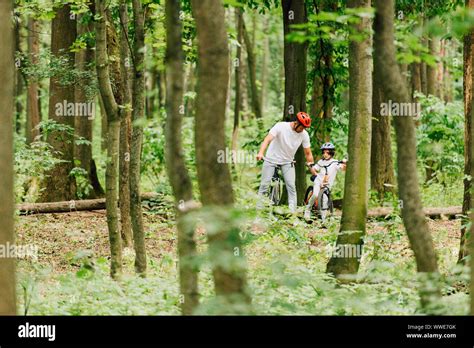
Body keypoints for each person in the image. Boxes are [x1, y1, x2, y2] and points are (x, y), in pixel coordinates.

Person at [256, 112, 314, 213]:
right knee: (264, 186)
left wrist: (311, 164)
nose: (303, 130)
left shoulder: (304, 134)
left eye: (305, 128)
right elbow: (267, 140)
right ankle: (258, 214)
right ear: (296, 123)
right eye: (302, 127)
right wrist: (261, 153)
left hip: (287, 162)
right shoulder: (281, 126)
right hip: (271, 159)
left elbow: (308, 153)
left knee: (291, 187)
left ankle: (292, 215)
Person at [304, 142, 347, 221]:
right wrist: (310, 166)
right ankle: (307, 210)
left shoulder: (335, 163)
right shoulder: (321, 162)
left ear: (331, 153)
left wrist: (345, 163)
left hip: (327, 184)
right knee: (315, 195)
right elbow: (315, 169)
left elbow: (343, 168)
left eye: (327, 152)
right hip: (319, 181)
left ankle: (322, 220)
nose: (325, 154)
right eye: (323, 152)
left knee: (325, 200)